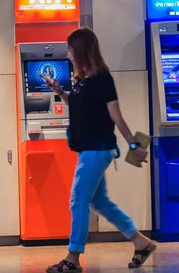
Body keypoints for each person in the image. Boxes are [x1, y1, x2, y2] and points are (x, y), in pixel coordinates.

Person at [43, 28, 156, 273]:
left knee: (78, 199)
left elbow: (116, 116)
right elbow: (77, 105)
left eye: (70, 48)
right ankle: (141, 242)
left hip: (99, 148)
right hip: (88, 149)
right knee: (99, 201)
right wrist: (59, 91)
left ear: (81, 50)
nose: (68, 53)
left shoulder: (103, 79)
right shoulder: (83, 80)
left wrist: (134, 145)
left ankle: (73, 258)